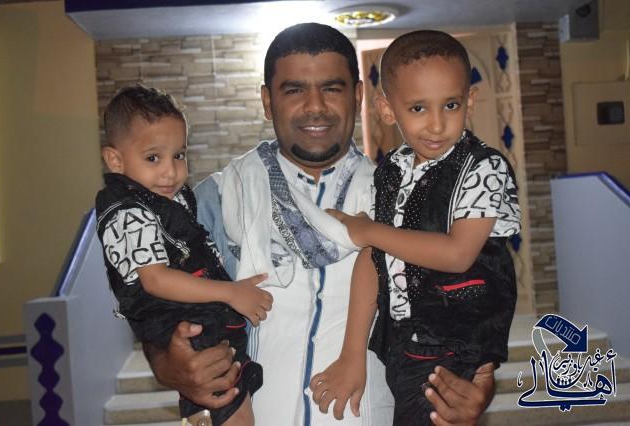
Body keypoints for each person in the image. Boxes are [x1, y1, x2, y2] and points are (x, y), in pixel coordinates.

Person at [145, 23, 499, 426]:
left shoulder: (410, 202)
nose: (315, 106)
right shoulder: (220, 199)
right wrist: (168, 364)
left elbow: (469, 311)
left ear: (358, 96)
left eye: (331, 88)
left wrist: (478, 388)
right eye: (294, 90)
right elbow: (156, 308)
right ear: (267, 101)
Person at [310, 30, 520, 425]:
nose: (437, 124)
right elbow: (375, 258)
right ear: (387, 110)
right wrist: (353, 354)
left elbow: (458, 254)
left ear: (470, 102)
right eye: (419, 108)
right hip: (404, 341)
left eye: (451, 105)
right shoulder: (392, 170)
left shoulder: (483, 167)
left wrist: (367, 230)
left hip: (454, 340)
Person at [95, 85, 272, 426]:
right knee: (233, 408)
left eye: (178, 155)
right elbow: (155, 279)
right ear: (115, 160)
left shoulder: (166, 200)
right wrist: (231, 292)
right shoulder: (128, 212)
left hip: (199, 320)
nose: (170, 171)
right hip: (186, 324)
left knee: (227, 401)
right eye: (153, 158)